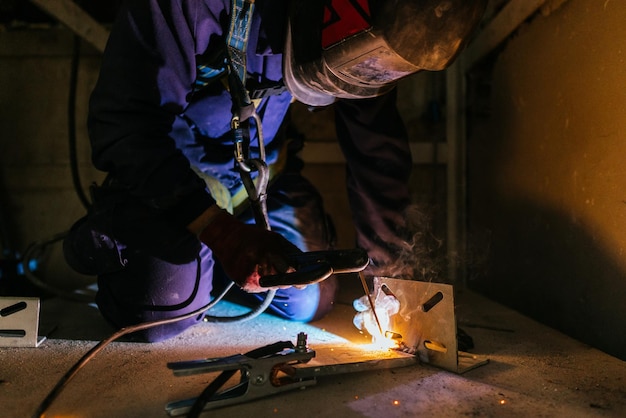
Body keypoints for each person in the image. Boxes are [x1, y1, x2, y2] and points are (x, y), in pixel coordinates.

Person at [63, 0, 486, 342]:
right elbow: (123, 125)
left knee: (306, 300)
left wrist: (393, 278)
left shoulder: (375, 33)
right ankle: (141, 243)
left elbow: (376, 150)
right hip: (174, 185)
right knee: (161, 307)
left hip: (256, 187)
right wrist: (222, 234)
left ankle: (206, 265)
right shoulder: (195, 5)